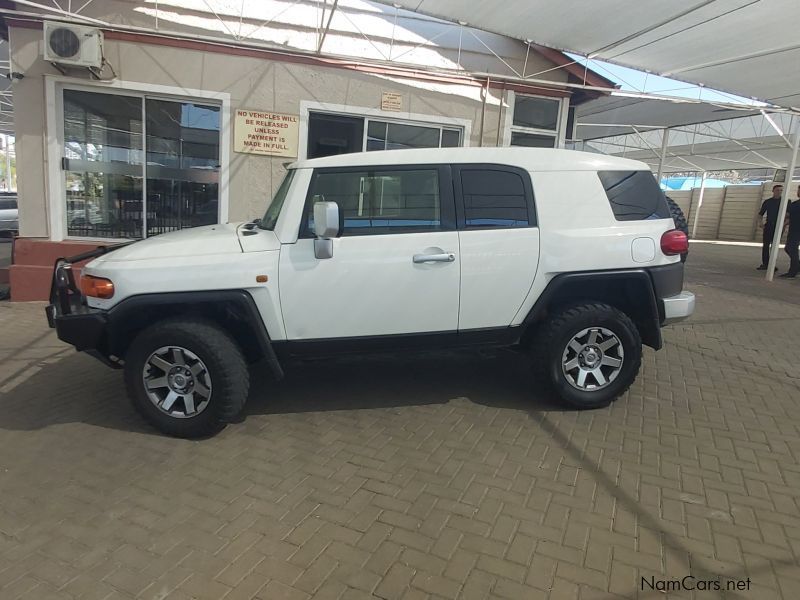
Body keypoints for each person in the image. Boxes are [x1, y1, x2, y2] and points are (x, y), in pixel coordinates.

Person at [757, 184, 783, 270]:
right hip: (769, 225)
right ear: (773, 191)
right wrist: (760, 223)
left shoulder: (785, 201)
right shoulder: (768, 202)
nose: (779, 192)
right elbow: (760, 214)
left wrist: (784, 225)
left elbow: (788, 215)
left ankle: (772, 264)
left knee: (774, 246)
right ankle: (765, 264)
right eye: (777, 190)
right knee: (766, 245)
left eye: (781, 190)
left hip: (778, 226)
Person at [779, 185, 800, 279]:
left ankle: (793, 271)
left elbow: (788, 216)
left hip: (795, 231)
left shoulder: (795, 205)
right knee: (790, 248)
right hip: (794, 229)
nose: (797, 192)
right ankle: (797, 268)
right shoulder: (795, 204)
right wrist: (783, 225)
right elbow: (789, 217)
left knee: (791, 248)